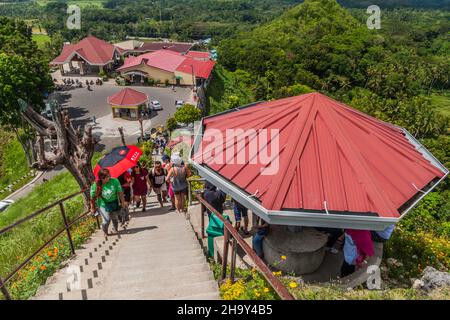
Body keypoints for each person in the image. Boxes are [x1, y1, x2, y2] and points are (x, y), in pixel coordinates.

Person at [90, 168, 126, 237]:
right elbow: (92, 197)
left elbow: (120, 192)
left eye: (109, 176)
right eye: (105, 178)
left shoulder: (115, 181)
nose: (108, 178)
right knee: (106, 220)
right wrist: (92, 207)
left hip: (114, 202)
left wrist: (123, 202)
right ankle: (105, 231)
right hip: (103, 204)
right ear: (101, 178)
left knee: (114, 218)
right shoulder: (96, 185)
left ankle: (116, 229)